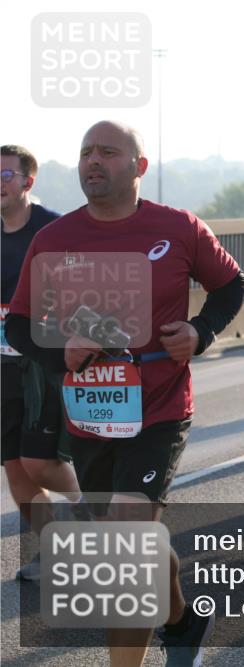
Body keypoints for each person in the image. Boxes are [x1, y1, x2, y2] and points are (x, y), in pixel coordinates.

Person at [6, 121, 244, 666]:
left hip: (159, 408)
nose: (94, 161)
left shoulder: (180, 228)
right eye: (86, 152)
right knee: (133, 536)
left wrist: (200, 331)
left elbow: (232, 285)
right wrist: (57, 353)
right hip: (89, 414)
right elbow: (20, 325)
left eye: (108, 152)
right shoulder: (54, 239)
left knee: (124, 543)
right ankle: (183, 622)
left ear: (138, 167)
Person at [1, 144, 81, 582]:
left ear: (27, 182)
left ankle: (104, 520)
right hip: (3, 369)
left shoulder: (53, 230)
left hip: (43, 364)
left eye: (6, 175)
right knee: (15, 466)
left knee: (40, 461)